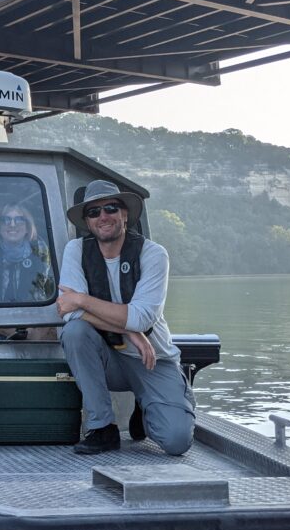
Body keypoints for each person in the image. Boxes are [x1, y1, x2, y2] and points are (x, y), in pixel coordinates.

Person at [56, 180, 195, 456]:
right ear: (86, 221)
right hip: (108, 360)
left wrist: (82, 300)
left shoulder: (154, 254)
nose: (103, 216)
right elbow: (69, 313)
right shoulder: (75, 250)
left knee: (177, 442)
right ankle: (103, 428)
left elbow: (142, 317)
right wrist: (131, 331)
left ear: (125, 214)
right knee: (74, 333)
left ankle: (147, 407)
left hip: (152, 358)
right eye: (94, 212)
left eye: (110, 208)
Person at [0, 203, 54, 303]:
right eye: (6, 220)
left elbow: (38, 292)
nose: (12, 224)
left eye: (19, 220)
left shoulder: (39, 253)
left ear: (27, 227)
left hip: (30, 312)